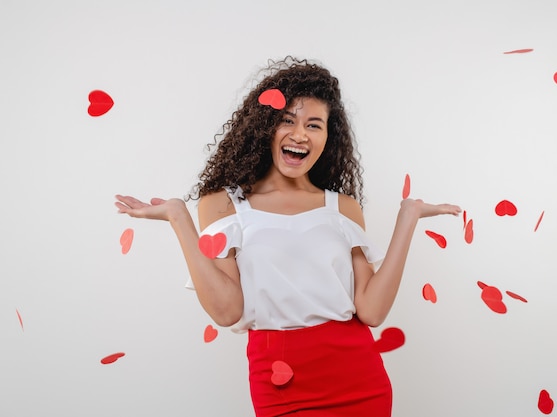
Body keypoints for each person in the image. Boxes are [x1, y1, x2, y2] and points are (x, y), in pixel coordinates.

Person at [115, 57, 461, 417]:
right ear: (266, 126)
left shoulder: (342, 208)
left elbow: (371, 312)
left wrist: (408, 218)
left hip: (357, 375)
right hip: (279, 379)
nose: (300, 134)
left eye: (314, 125)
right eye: (287, 120)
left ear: (328, 137)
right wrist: (177, 216)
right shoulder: (224, 204)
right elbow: (226, 310)